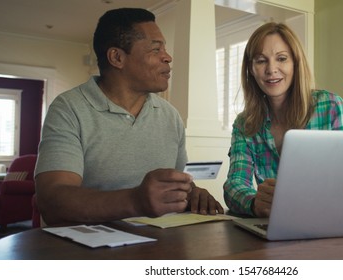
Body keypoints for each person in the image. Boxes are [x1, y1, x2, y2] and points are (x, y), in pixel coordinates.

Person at [35, 8, 223, 226]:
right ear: (117, 57)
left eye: (165, 48)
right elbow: (52, 202)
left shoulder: (170, 115)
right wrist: (136, 200)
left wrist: (193, 193)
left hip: (160, 246)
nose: (168, 57)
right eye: (156, 49)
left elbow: (175, 187)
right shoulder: (68, 109)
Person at [223, 22, 343, 218]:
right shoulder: (245, 123)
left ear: (296, 63)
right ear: (250, 68)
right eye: (261, 61)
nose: (271, 69)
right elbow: (234, 184)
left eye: (281, 58)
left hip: (330, 219)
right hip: (274, 227)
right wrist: (254, 203)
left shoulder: (330, 106)